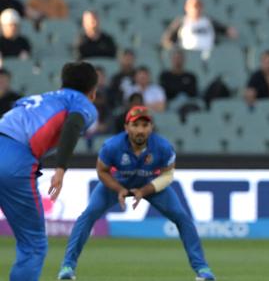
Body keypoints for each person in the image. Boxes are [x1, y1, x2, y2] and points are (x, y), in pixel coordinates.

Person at [56, 106, 216, 281]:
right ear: (126, 127)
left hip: (148, 184)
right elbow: (102, 171)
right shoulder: (112, 146)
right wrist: (119, 189)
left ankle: (202, 269)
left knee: (182, 217)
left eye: (145, 125)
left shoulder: (163, 147)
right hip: (117, 183)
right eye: (135, 125)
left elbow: (168, 174)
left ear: (151, 127)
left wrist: (144, 191)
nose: (140, 130)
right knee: (88, 215)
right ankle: (67, 266)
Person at [0, 61, 98, 281]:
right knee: (33, 245)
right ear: (93, 90)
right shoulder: (81, 102)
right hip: (13, 158)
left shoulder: (44, 97)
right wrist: (61, 168)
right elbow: (74, 123)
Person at [161, 0, 237, 58]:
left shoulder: (209, 21)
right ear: (186, 7)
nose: (196, 9)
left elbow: (228, 31)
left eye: (198, 5)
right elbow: (167, 40)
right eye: (193, 6)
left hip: (208, 56)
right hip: (188, 56)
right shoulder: (181, 22)